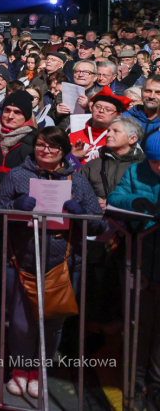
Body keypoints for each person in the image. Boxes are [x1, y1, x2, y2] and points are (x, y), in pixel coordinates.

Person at [0, 126, 106, 400]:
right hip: (22, 260)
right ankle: (20, 369)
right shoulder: (17, 175)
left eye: (53, 146)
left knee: (53, 323)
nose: (46, 150)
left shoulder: (77, 180)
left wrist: (81, 214)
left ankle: (38, 369)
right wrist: (14, 207)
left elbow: (99, 225)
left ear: (64, 151)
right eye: (41, 144)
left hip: (63, 264)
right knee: (20, 324)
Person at [108, 130, 160, 411]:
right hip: (141, 256)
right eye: (154, 162)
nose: (159, 167)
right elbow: (116, 198)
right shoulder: (136, 171)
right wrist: (135, 202)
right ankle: (135, 383)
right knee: (138, 324)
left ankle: (156, 385)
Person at [70, 87, 130, 164]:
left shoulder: (121, 141)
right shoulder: (73, 136)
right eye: (98, 107)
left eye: (108, 109)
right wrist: (73, 157)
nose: (101, 111)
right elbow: (62, 168)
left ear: (118, 115)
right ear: (91, 108)